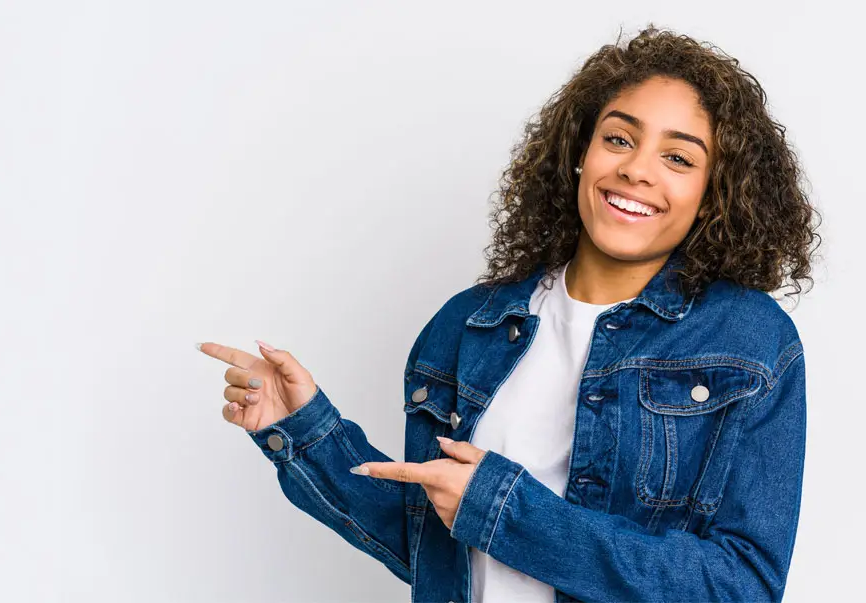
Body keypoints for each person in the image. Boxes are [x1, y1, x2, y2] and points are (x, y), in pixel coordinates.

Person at [195, 26, 819, 602]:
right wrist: (305, 430)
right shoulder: (468, 326)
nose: (636, 169)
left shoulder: (749, 342)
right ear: (580, 152)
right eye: (619, 139)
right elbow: (434, 550)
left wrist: (506, 511)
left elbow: (742, 586)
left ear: (713, 194)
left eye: (678, 158)